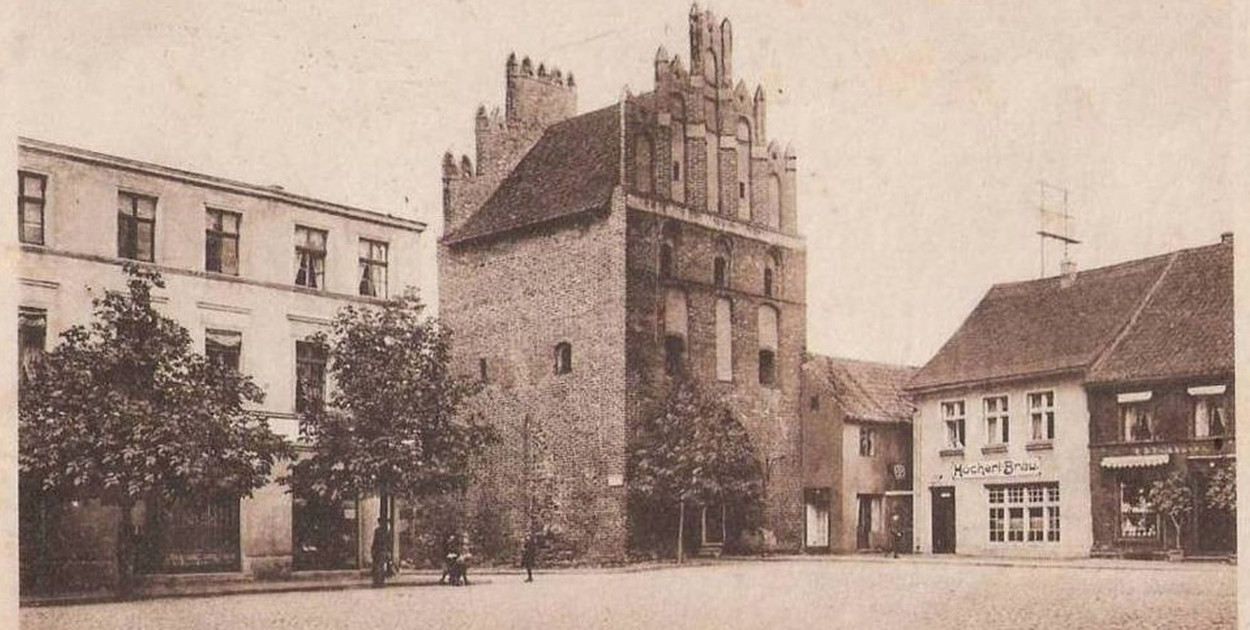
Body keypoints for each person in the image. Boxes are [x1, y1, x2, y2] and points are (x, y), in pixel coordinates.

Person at [371, 517, 390, 588]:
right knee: (381, 567)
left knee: (378, 567)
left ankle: (377, 582)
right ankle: (380, 582)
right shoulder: (385, 532)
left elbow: (375, 541)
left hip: (379, 551)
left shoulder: (378, 531)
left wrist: (373, 549)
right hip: (381, 551)